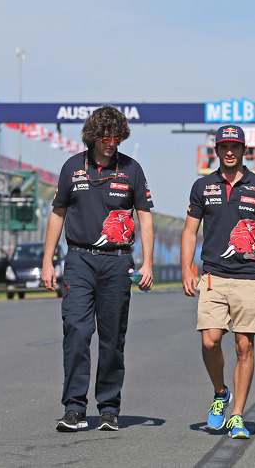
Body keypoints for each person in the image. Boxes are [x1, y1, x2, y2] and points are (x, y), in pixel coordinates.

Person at [42, 105, 154, 433]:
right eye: (105, 137)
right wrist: (48, 260)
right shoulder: (72, 168)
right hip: (79, 259)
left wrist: (147, 262)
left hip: (118, 261)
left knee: (112, 337)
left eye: (117, 137)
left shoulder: (131, 169)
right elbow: (58, 213)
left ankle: (108, 407)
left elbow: (144, 215)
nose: (111, 143)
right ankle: (74, 408)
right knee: (76, 331)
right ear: (92, 137)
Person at [181, 124, 255, 439]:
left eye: (235, 147)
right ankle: (220, 393)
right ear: (216, 150)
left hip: (250, 278)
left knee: (244, 345)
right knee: (210, 340)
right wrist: (187, 267)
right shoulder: (202, 186)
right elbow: (189, 231)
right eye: (224, 146)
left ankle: (238, 416)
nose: (230, 151)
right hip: (212, 276)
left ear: (244, 150)